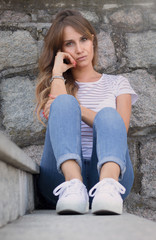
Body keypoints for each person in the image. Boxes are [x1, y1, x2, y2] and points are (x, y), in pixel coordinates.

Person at [35, 9, 138, 215]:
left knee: (109, 116)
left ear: (93, 41)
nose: (80, 49)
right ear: (60, 51)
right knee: (63, 103)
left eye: (83, 39)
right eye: (69, 43)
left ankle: (108, 187)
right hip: (61, 178)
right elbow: (57, 115)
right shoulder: (58, 83)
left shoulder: (118, 84)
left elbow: (119, 129)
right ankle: (74, 185)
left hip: (108, 173)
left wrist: (79, 109)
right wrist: (57, 73)